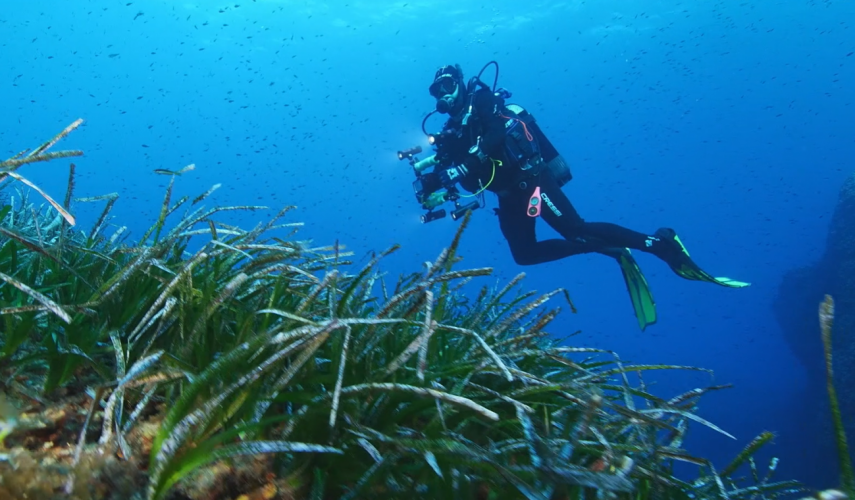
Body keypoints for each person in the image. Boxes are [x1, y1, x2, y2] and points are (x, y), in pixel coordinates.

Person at [424, 63, 749, 330]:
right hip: (508, 197)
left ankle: (664, 246)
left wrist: (465, 163)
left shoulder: (482, 102)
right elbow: (455, 179)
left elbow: (496, 135)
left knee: (576, 228)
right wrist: (434, 185)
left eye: (448, 85)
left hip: (532, 180)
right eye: (437, 90)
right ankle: (601, 247)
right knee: (524, 254)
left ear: (461, 83)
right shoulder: (452, 133)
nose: (444, 94)